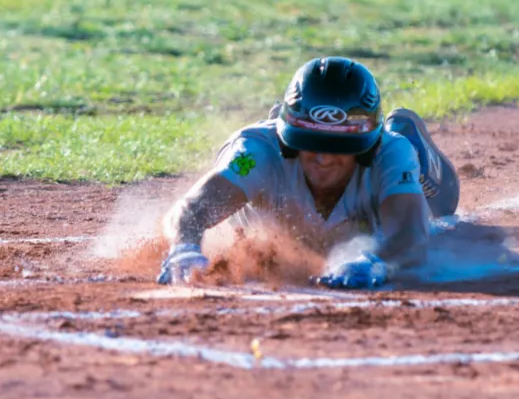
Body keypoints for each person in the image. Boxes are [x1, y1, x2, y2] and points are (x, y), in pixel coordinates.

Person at [155, 57, 461, 289]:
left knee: (439, 207)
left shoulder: (390, 153)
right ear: (288, 136)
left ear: (366, 144)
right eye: (310, 143)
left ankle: (407, 133)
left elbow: (411, 233)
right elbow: (194, 206)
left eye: (338, 146)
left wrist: (377, 261)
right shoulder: (253, 157)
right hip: (274, 205)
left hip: (370, 221)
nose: (323, 158)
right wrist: (184, 247)